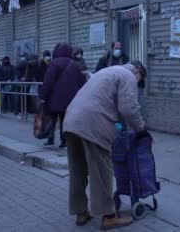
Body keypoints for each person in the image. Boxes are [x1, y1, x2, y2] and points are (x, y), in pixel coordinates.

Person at [63, 60, 147, 230]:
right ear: (137, 71)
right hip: (93, 124)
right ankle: (109, 217)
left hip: (71, 120)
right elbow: (129, 108)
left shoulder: (107, 71)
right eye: (140, 79)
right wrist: (141, 129)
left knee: (77, 169)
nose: (137, 83)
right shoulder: (128, 76)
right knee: (102, 172)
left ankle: (81, 213)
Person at [40, 43, 87, 148]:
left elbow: (48, 81)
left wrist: (43, 96)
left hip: (53, 99)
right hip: (69, 99)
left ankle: (50, 138)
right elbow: (81, 81)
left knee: (51, 118)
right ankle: (64, 141)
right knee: (64, 120)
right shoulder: (74, 64)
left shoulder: (54, 63)